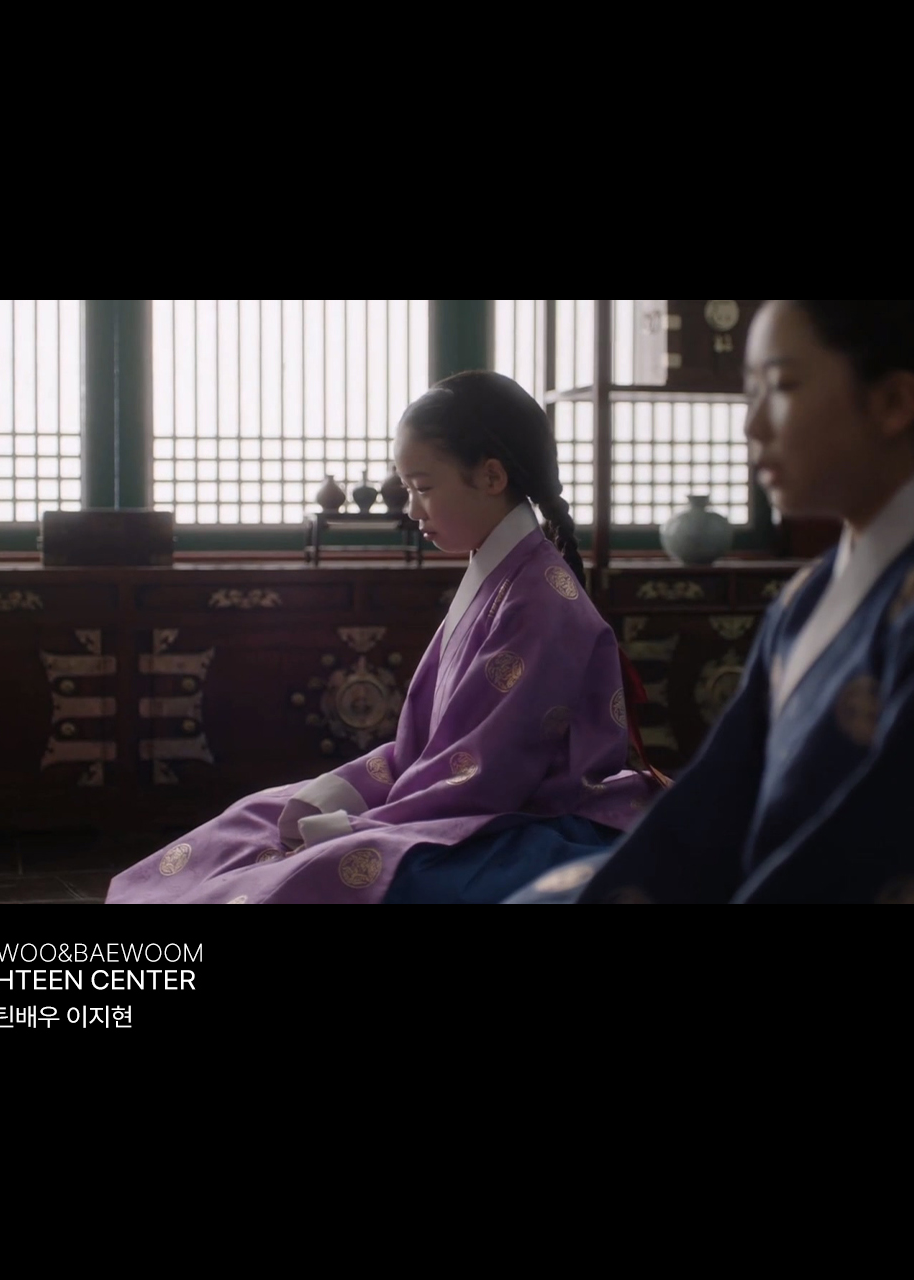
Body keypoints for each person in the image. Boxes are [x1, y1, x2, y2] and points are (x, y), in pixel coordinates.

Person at [107, 371, 662, 905]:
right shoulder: (501, 573)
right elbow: (426, 749)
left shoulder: (538, 600)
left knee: (331, 865)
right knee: (256, 817)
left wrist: (362, 824)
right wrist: (339, 796)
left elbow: (487, 775)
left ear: (492, 477)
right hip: (459, 793)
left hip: (524, 815)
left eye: (423, 488)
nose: (413, 509)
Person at [507, 299, 914, 904]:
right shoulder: (806, 598)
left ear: (893, 402)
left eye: (782, 386)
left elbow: (868, 850)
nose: (753, 426)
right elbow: (715, 803)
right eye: (750, 392)